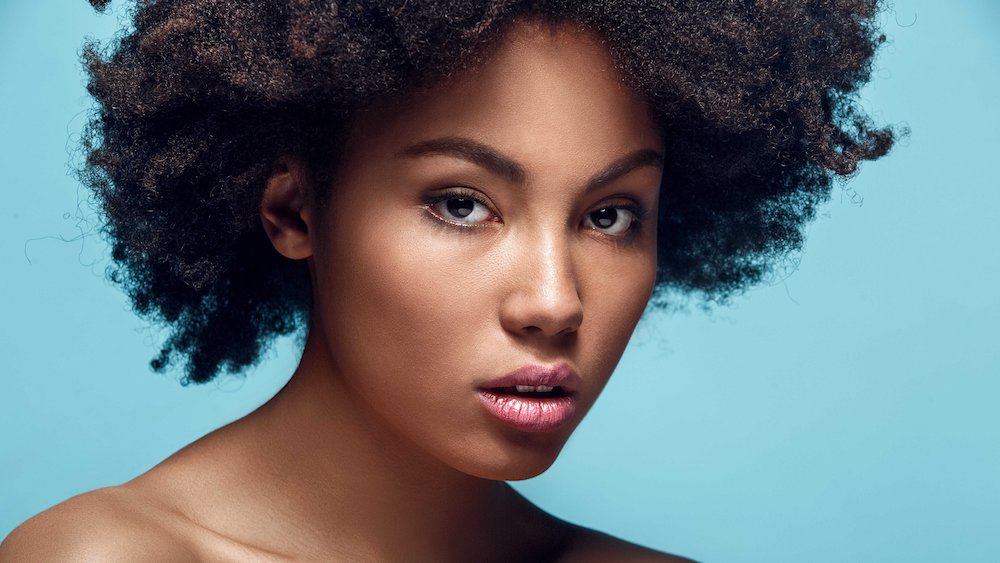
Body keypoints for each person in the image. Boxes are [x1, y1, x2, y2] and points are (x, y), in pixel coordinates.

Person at [0, 0, 896, 560]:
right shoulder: (110, 555)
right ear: (295, 211)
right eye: (462, 204)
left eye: (610, 214)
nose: (555, 301)